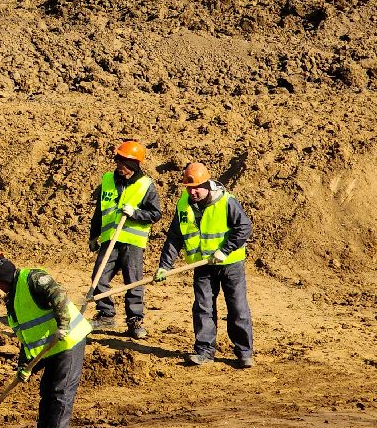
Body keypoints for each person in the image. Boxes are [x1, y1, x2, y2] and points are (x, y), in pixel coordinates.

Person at [0, 247, 91, 428]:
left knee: (60, 390)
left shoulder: (32, 278)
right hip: (53, 347)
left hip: (70, 338)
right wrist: (24, 365)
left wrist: (63, 325)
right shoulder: (12, 302)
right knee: (47, 390)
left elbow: (59, 295)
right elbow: (27, 337)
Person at [155, 162, 255, 368]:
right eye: (189, 188)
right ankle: (204, 351)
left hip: (230, 264)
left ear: (207, 184)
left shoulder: (226, 202)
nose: (192, 192)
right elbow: (175, 237)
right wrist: (164, 265)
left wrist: (224, 250)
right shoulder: (183, 204)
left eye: (196, 188)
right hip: (202, 265)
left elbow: (244, 227)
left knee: (237, 307)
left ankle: (244, 352)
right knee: (203, 307)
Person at [88, 140, 164, 339]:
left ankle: (134, 321)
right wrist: (93, 235)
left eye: (124, 162)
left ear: (134, 165)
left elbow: (155, 214)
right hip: (109, 239)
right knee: (98, 277)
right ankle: (106, 314)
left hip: (132, 242)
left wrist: (135, 213)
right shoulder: (107, 180)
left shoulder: (145, 185)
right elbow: (99, 211)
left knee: (133, 282)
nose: (119, 166)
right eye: (118, 161)